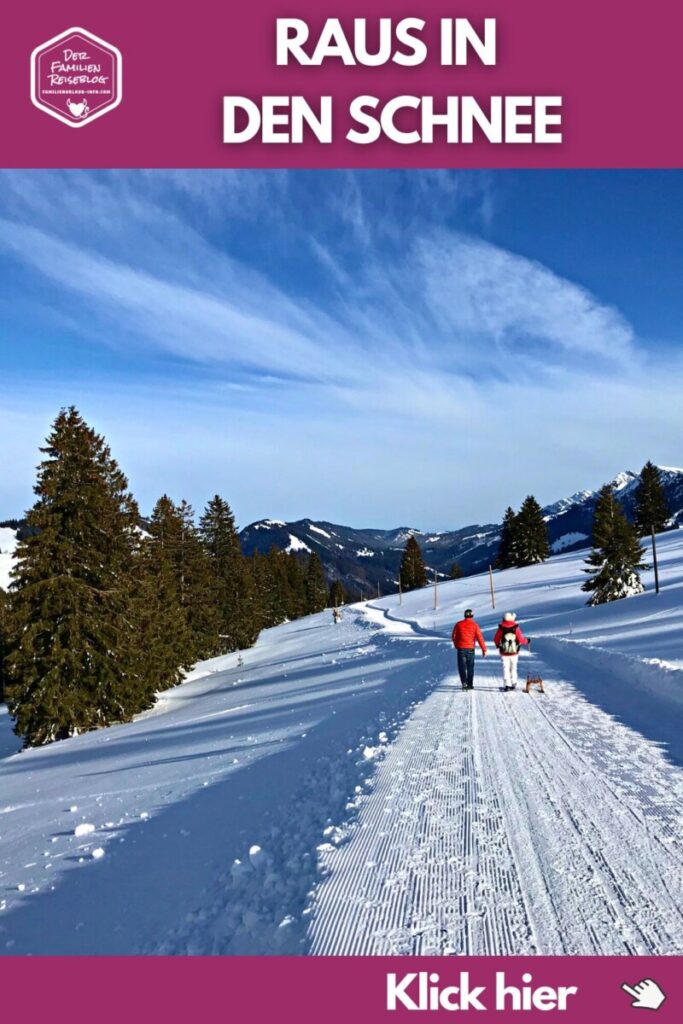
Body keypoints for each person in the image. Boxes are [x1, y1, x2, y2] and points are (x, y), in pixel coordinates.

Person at [493, 612, 530, 691]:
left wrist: (498, 645)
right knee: (513, 667)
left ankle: (507, 685)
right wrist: (527, 641)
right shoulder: (516, 627)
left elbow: (496, 639)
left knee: (506, 668)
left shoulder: (501, 628)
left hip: (504, 652)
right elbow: (521, 639)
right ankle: (514, 683)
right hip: (514, 652)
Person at [451, 609, 487, 690]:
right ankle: (470, 684)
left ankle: (464, 683)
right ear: (472, 616)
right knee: (470, 667)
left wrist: (457, 645)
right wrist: (484, 649)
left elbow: (453, 636)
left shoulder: (458, 624)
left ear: (464, 615)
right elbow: (480, 638)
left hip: (461, 649)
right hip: (470, 649)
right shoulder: (475, 625)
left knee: (462, 667)